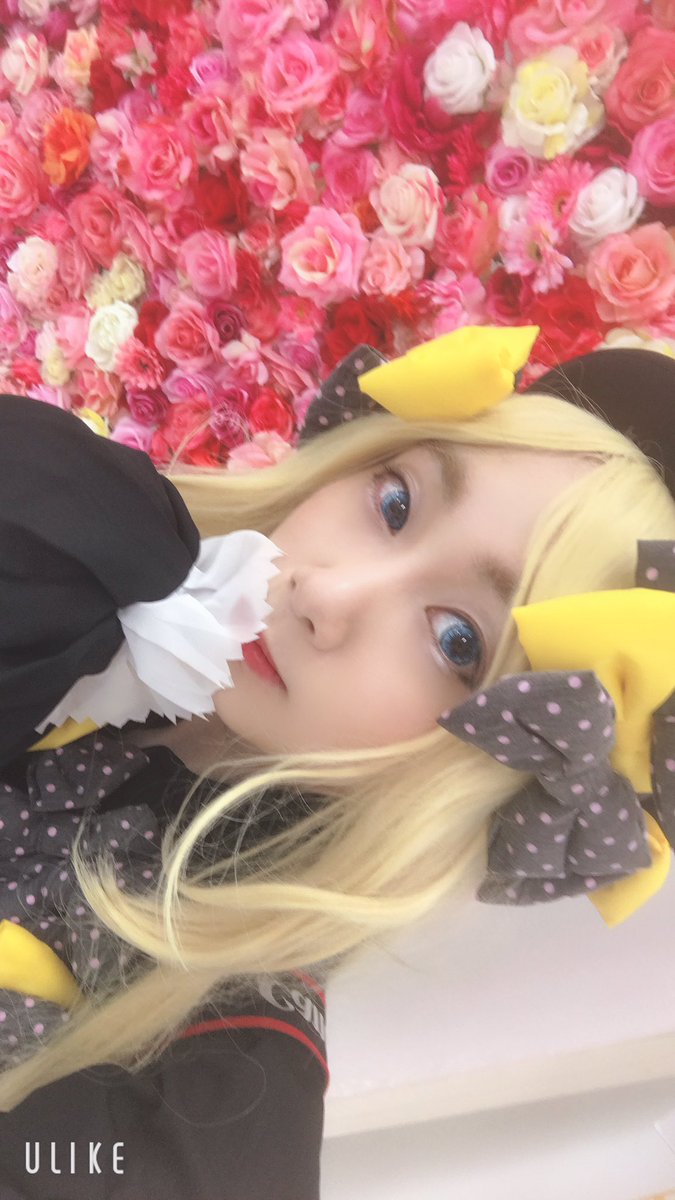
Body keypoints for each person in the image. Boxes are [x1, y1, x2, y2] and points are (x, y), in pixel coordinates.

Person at [0, 324, 673, 1198]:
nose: (327, 592)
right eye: (393, 503)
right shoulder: (77, 535)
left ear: (510, 756)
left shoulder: (223, 1048)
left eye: (456, 641)